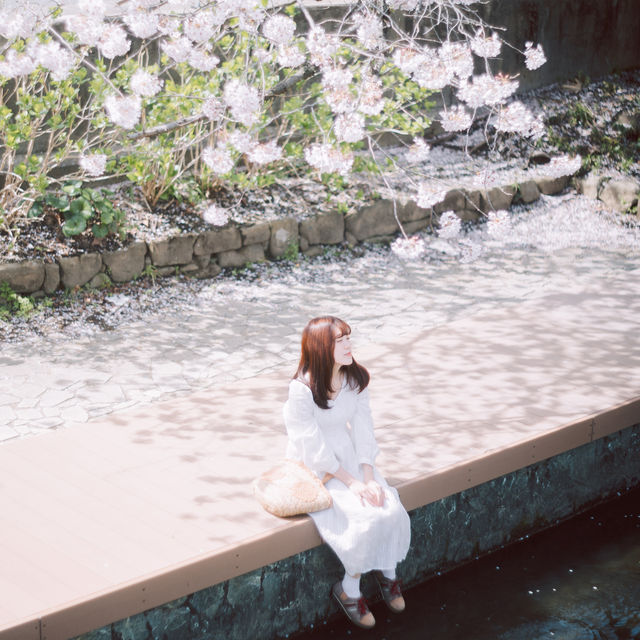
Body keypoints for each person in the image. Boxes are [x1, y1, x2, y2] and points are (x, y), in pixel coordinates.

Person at [283, 316, 411, 629]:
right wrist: (351, 483)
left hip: (351, 456)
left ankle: (387, 571)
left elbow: (364, 428)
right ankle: (348, 590)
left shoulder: (355, 379)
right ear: (321, 348)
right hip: (319, 465)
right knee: (364, 517)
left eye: (348, 338)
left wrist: (367, 476)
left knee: (388, 507)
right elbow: (311, 445)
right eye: (339, 341)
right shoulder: (302, 391)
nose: (348, 345)